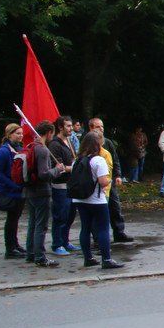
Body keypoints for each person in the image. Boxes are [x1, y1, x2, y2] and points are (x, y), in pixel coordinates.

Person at [72, 131, 123, 269]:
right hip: (96, 199)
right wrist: (110, 180)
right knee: (103, 228)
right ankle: (106, 259)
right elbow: (103, 181)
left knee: (85, 228)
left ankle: (88, 258)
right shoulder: (98, 160)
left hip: (80, 199)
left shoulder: (77, 160)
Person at [24, 120, 66, 266]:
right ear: (48, 133)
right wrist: (57, 170)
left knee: (33, 223)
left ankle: (31, 253)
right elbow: (44, 174)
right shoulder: (42, 150)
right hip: (41, 191)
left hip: (30, 190)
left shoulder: (31, 146)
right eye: (52, 134)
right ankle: (40, 257)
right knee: (41, 225)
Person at [87, 118, 134, 243]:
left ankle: (119, 232)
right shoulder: (87, 143)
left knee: (115, 207)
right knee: (97, 211)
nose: (101, 129)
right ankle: (98, 238)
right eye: (98, 127)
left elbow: (115, 159)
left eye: (102, 126)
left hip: (109, 180)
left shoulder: (107, 143)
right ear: (91, 128)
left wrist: (118, 175)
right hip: (94, 183)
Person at [0, 123, 27, 259]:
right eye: (17, 133)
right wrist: (12, 185)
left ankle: (15, 244)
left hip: (19, 190)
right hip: (10, 191)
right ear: (9, 134)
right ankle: (10, 248)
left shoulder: (19, 149)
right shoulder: (4, 151)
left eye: (21, 133)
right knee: (11, 220)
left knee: (15, 219)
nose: (20, 136)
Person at [47, 115, 77, 256]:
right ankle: (57, 244)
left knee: (70, 215)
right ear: (60, 127)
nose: (71, 128)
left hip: (71, 185)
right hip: (60, 186)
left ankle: (65, 241)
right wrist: (74, 168)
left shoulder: (69, 141)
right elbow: (58, 166)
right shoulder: (54, 144)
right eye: (68, 126)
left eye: (71, 126)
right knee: (60, 216)